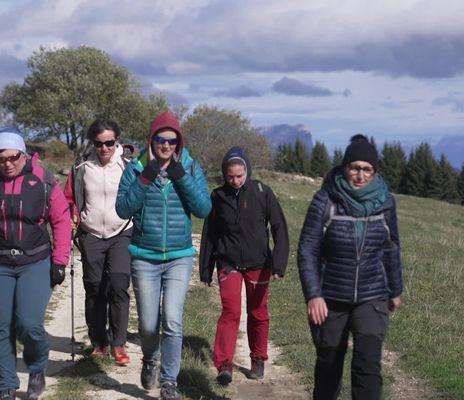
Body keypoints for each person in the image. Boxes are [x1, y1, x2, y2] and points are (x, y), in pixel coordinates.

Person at [0, 127, 70, 400]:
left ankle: (36, 368)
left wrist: (60, 261)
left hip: (35, 262)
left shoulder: (43, 180)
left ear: (24, 154)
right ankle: (6, 385)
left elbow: (61, 220)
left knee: (28, 324)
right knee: (0, 325)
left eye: (13, 157)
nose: (7, 163)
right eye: (1, 158)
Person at [297, 134, 403, 400]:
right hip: (330, 296)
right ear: (345, 168)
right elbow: (308, 249)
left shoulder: (386, 202)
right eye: (355, 167)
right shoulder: (325, 200)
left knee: (368, 365)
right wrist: (314, 295)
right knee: (329, 365)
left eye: (367, 169)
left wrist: (395, 289)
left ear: (375, 171)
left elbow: (391, 247)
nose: (360, 174)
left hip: (372, 294)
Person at [115, 111, 211, 400]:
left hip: (179, 256)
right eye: (161, 139)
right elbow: (122, 208)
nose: (166, 145)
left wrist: (181, 177)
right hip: (144, 255)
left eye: (172, 140)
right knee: (147, 324)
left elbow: (204, 209)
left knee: (172, 320)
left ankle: (170, 382)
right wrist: (145, 177)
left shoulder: (191, 167)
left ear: (178, 142)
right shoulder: (136, 168)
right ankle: (150, 358)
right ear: (152, 140)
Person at [199, 146, 289, 385]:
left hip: (259, 262)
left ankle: (258, 358)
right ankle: (224, 364)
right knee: (230, 312)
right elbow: (209, 234)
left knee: (258, 312)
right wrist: (205, 269)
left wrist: (278, 264)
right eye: (230, 176)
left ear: (247, 171)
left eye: (240, 175)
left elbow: (280, 227)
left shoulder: (262, 192)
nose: (235, 180)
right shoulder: (217, 197)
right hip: (228, 263)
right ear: (224, 174)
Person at [63, 119, 133, 366]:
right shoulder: (82, 166)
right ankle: (99, 342)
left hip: (122, 230)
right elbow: (69, 198)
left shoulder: (128, 166)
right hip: (91, 233)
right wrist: (72, 215)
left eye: (109, 143)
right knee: (94, 287)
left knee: (117, 284)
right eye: (99, 144)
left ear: (117, 142)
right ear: (92, 143)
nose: (104, 149)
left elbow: (139, 195)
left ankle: (119, 343)